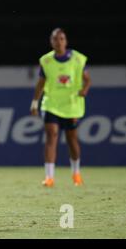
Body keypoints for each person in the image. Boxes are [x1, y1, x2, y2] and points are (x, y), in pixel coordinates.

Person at [31, 28, 91, 187]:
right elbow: (41, 82)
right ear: (51, 42)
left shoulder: (78, 59)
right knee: (52, 136)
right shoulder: (46, 61)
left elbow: (87, 80)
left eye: (62, 39)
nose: (59, 42)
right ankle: (49, 177)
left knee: (72, 139)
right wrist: (35, 102)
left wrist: (85, 89)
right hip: (51, 104)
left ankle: (76, 173)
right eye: (55, 39)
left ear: (66, 41)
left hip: (71, 105)